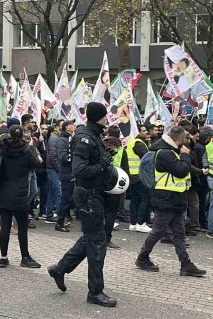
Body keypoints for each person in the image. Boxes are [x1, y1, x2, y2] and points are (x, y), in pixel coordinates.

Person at [47, 102, 120, 308]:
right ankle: (95, 292)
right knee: (97, 243)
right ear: (99, 117)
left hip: (95, 193)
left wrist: (105, 163)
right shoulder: (84, 138)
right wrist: (102, 165)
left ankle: (59, 269)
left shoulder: (94, 135)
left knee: (91, 238)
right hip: (88, 195)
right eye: (105, 116)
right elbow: (79, 170)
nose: (108, 120)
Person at [134, 125, 206, 278]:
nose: (185, 144)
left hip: (175, 198)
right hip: (166, 198)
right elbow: (181, 171)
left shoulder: (169, 150)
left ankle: (186, 264)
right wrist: (186, 156)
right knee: (158, 231)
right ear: (179, 139)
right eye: (184, 140)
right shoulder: (165, 153)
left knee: (179, 233)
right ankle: (142, 258)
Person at [0, 124, 43, 268]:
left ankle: (3, 258)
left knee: (5, 226)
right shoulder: (26, 150)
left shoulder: (1, 148)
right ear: (22, 135)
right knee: (22, 227)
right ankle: (25, 257)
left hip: (3, 192)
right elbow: (36, 164)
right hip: (20, 193)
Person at [126, 124, 151, 233]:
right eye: (144, 131)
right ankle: (141, 223)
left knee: (135, 200)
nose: (146, 132)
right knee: (145, 199)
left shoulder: (132, 143)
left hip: (133, 175)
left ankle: (133, 223)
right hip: (139, 175)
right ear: (138, 132)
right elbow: (147, 159)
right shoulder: (139, 144)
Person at [55, 121, 76, 233]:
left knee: (69, 198)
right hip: (66, 173)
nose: (74, 126)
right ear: (67, 127)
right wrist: (75, 157)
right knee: (65, 198)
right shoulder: (63, 140)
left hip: (70, 173)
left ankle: (65, 217)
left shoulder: (69, 139)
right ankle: (60, 222)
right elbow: (62, 157)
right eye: (72, 124)